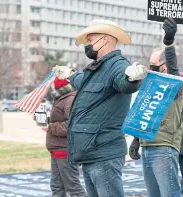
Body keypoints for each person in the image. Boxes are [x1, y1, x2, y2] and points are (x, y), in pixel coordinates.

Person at [53, 19, 147, 197]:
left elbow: (125, 83)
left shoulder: (118, 65)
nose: (87, 45)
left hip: (104, 153)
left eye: (90, 40)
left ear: (104, 40)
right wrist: (70, 75)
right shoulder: (97, 69)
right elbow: (82, 81)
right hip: (92, 153)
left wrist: (133, 78)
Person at [129, 18, 183, 197]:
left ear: (165, 67)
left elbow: (174, 71)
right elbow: (143, 114)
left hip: (164, 147)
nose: (151, 69)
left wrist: (168, 44)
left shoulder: (174, 85)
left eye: (155, 66)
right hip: (148, 147)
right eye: (149, 65)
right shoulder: (150, 87)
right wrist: (137, 139)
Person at [35, 78, 87, 197]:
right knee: (57, 187)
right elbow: (58, 120)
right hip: (57, 150)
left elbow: (72, 125)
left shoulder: (69, 100)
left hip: (65, 150)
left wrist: (51, 127)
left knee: (73, 187)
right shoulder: (61, 98)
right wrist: (43, 120)